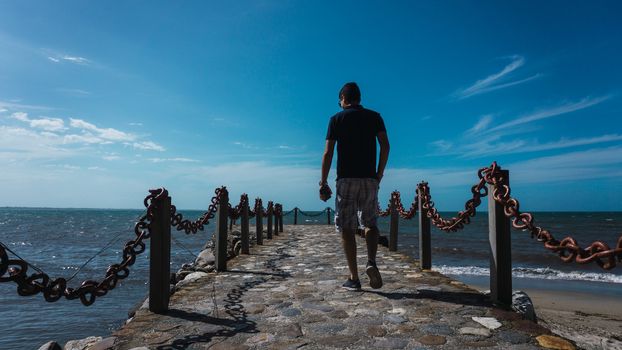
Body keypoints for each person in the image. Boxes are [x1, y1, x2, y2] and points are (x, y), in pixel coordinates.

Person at [319, 82, 390, 290]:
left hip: (346, 179)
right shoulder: (375, 116)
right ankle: (371, 261)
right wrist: (379, 174)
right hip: (369, 178)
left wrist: (323, 182)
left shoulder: (336, 119)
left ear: (343, 98)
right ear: (359, 98)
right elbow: (385, 145)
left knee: (347, 228)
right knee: (370, 223)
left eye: (339, 100)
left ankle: (354, 278)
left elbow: (328, 153)